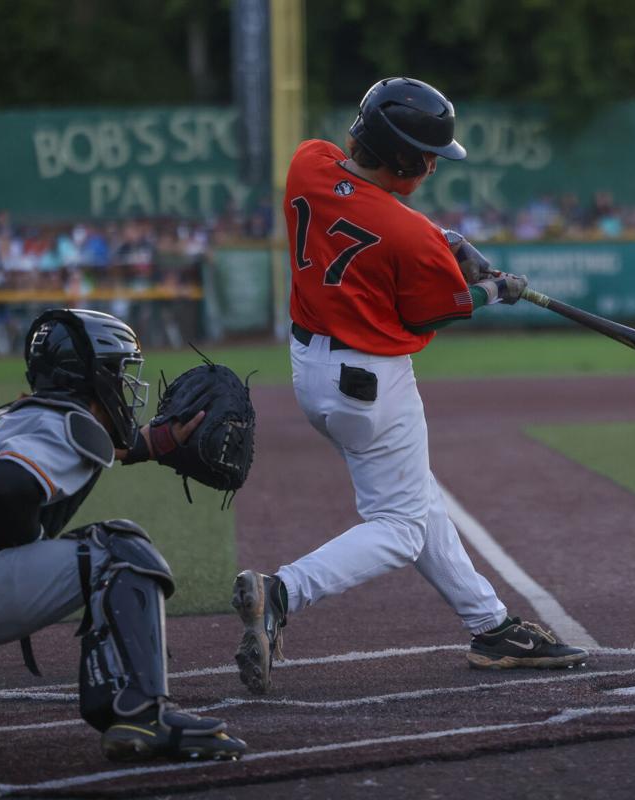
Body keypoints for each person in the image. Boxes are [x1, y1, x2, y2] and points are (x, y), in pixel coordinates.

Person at [231, 77, 588, 695]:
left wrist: (451, 243)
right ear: (406, 159)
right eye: (425, 156)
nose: (430, 165)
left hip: (311, 371)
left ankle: (491, 626)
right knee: (399, 525)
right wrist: (492, 291)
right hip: (371, 383)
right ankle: (283, 592)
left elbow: (367, 206)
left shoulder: (308, 162)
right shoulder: (409, 235)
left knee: (415, 498)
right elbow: (434, 312)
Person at [0, 308, 246, 761]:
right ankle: (141, 712)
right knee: (118, 548)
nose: (126, 384)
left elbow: (91, 442)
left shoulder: (12, 415)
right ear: (95, 374)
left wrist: (158, 442)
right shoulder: (67, 422)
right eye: (120, 371)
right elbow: (8, 486)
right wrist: (20, 552)